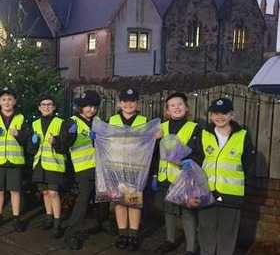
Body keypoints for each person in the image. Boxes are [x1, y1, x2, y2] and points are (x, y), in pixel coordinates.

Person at [196, 98, 255, 255]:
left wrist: (246, 191)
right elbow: (195, 162)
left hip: (232, 194)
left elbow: (249, 166)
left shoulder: (242, 136)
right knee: (206, 230)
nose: (219, 117)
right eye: (215, 113)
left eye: (224, 113)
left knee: (227, 233)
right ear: (210, 115)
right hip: (207, 192)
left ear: (232, 115)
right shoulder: (203, 135)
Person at [152, 92, 203, 255]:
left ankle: (190, 248)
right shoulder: (161, 128)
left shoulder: (194, 128)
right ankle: (170, 240)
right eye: (172, 105)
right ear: (167, 110)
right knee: (169, 211)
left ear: (186, 108)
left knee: (187, 212)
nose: (176, 108)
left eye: (180, 104)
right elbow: (154, 153)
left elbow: (198, 153)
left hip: (185, 177)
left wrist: (184, 159)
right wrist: (156, 140)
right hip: (165, 176)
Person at [59, 90, 102, 250]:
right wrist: (69, 136)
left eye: (94, 106)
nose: (91, 109)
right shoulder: (72, 122)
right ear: (81, 107)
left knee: (102, 199)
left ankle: (102, 224)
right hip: (83, 168)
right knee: (83, 202)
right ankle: (72, 234)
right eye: (87, 106)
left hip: (99, 167)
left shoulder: (97, 121)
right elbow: (62, 146)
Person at [108, 87, 148, 251]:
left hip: (134, 169)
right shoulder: (112, 121)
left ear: (137, 104)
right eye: (125, 101)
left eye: (132, 101)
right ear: (119, 103)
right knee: (119, 203)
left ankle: (133, 236)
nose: (128, 105)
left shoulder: (144, 121)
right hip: (116, 168)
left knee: (133, 203)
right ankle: (122, 234)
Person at [0, 87, 29, 232]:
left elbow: (26, 140)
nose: (7, 102)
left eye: (10, 99)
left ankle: (16, 218)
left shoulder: (21, 118)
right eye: (4, 99)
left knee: (15, 190)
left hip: (15, 161)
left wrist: (18, 134)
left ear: (15, 101)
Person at [28, 96, 66, 239]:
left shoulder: (60, 123)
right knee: (44, 193)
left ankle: (57, 223)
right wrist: (33, 143)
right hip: (40, 164)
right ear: (39, 107)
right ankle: (49, 218)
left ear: (54, 107)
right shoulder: (34, 124)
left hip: (54, 164)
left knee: (54, 194)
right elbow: (31, 149)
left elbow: (64, 145)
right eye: (43, 105)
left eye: (49, 105)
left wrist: (55, 141)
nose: (46, 107)